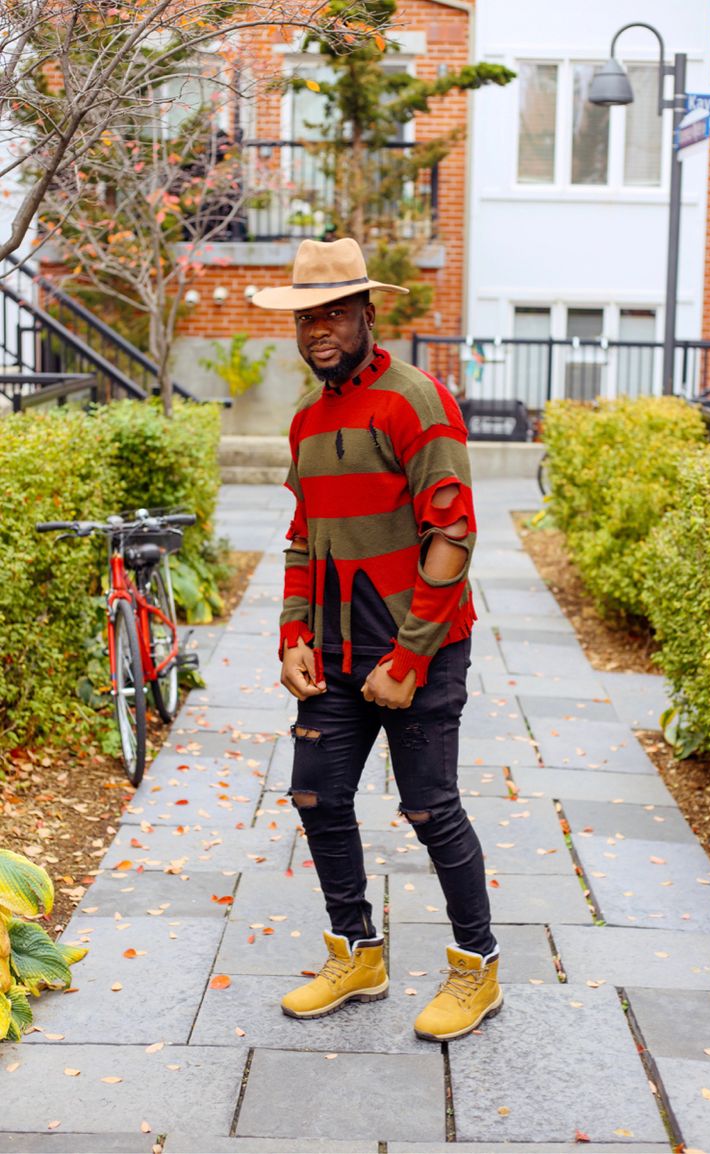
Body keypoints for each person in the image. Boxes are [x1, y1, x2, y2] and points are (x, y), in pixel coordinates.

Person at [252, 237, 502, 1042]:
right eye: (305, 316)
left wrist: (408, 659)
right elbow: (302, 534)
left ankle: (477, 969)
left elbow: (453, 536)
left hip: (417, 650)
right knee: (316, 798)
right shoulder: (305, 419)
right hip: (331, 653)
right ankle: (357, 952)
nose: (318, 328)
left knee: (431, 810)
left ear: (366, 312)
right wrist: (293, 633)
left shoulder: (414, 401)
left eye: (332, 312)